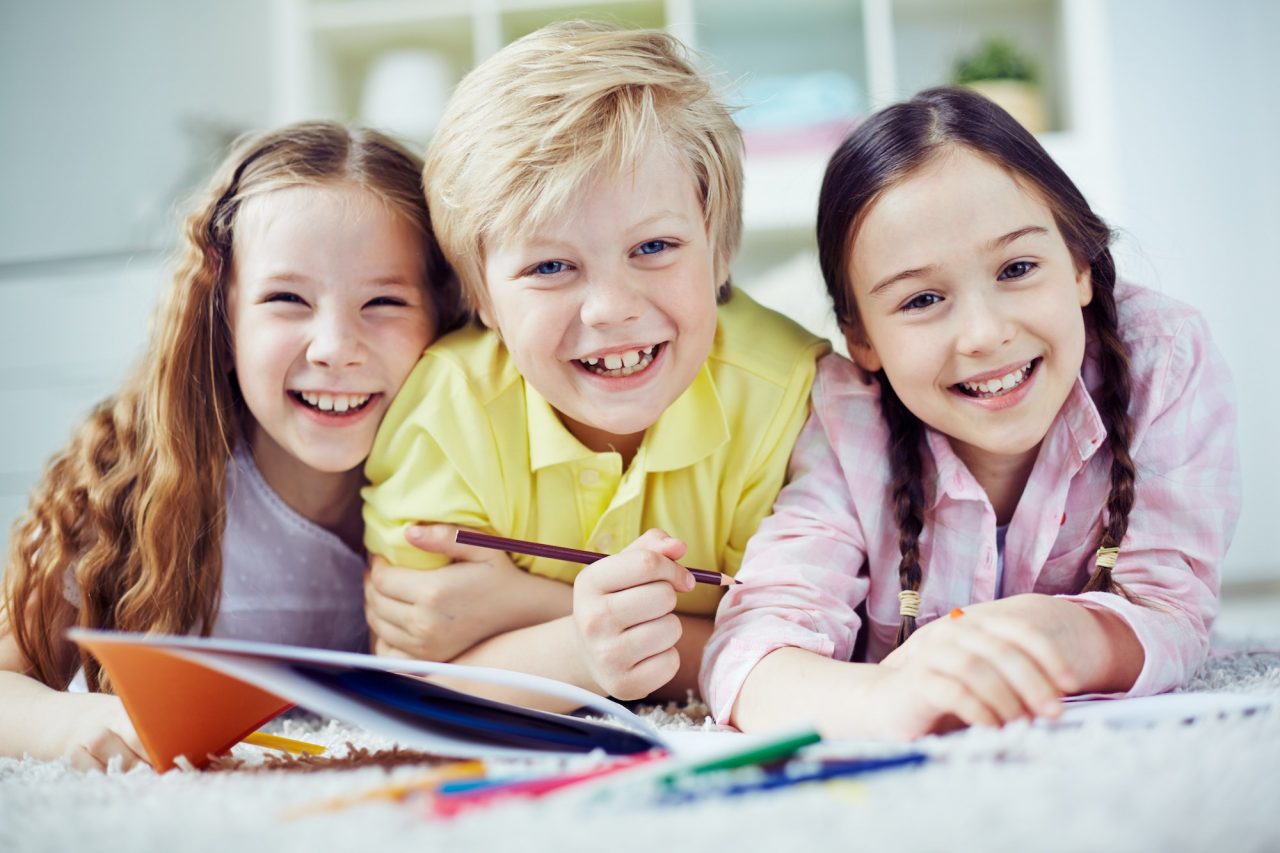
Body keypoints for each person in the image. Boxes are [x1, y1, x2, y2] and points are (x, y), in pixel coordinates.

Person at [701, 87, 1241, 739]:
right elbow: (752, 649)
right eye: (922, 299)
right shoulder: (849, 418)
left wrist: (1047, 634)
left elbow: (1171, 607)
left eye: (1016, 267)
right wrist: (884, 699)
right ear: (861, 338)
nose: (984, 334)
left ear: (1079, 266)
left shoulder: (1164, 357)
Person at [361, 22, 829, 705]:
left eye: (654, 247)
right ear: (482, 297)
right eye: (551, 265)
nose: (610, 308)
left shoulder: (786, 394)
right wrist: (580, 647)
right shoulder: (446, 414)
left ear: (719, 250)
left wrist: (522, 606)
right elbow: (413, 668)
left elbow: (797, 649)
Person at [0, 122, 465, 769]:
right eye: (287, 299)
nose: (334, 347)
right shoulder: (128, 477)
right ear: (220, 318)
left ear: (443, 316)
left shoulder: (480, 476)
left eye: (383, 300)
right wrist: (68, 719)